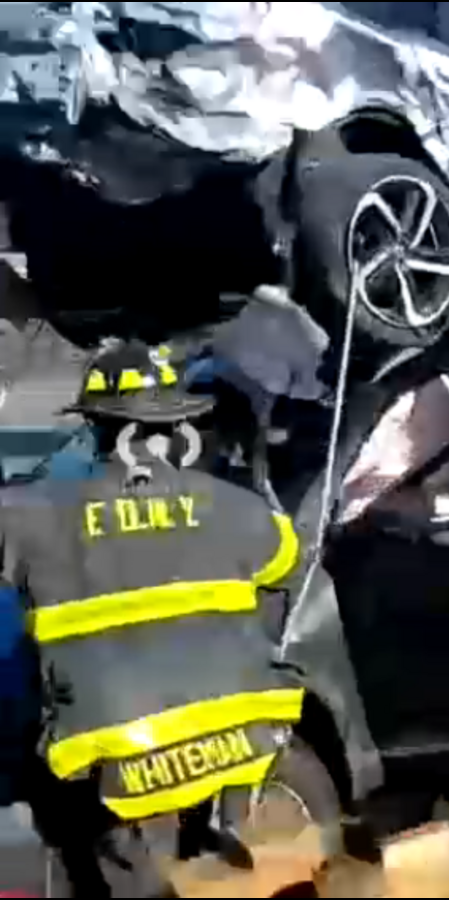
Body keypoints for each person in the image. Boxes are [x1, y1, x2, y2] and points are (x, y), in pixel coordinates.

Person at [0, 339, 306, 897]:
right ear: (177, 429)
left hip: (116, 763)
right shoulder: (237, 509)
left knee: (52, 786)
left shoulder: (33, 516)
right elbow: (285, 561)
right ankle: (218, 839)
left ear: (96, 429)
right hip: (235, 743)